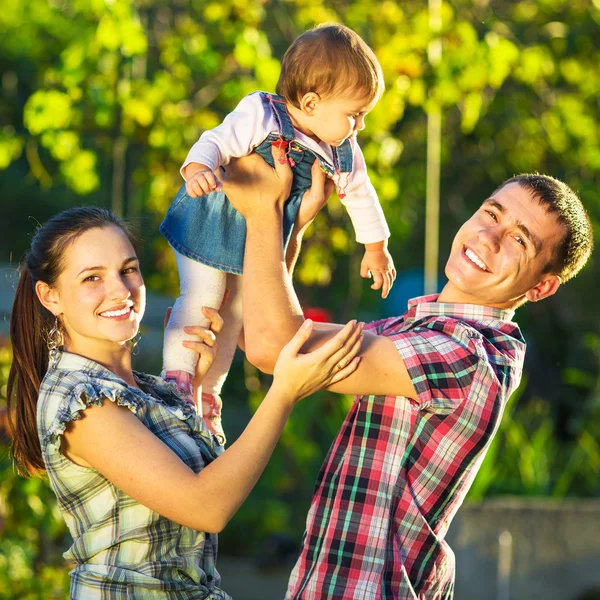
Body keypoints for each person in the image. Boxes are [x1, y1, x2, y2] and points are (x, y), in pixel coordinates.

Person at [219, 148, 594, 599]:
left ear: (542, 286)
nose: (490, 237)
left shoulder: (467, 354)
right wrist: (290, 225)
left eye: (519, 240)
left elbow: (277, 342)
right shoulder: (416, 330)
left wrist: (266, 213)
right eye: (491, 213)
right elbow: (267, 340)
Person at [6, 206, 363, 599]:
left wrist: (287, 217)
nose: (121, 290)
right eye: (93, 277)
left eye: (128, 269)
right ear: (50, 296)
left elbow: (245, 295)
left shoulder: (147, 391)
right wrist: (284, 392)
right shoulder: (81, 399)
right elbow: (206, 507)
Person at [159, 23, 396, 444]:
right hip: (214, 218)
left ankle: (208, 395)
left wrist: (375, 247)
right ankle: (175, 380)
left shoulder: (342, 150)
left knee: (232, 314)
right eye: (354, 114)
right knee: (204, 295)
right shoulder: (262, 113)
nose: (359, 126)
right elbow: (217, 140)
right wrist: (199, 168)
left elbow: (362, 195)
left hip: (257, 240)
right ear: (310, 101)